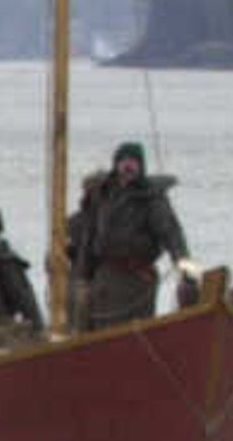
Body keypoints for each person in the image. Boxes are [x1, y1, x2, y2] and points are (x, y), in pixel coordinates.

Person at [67, 140, 189, 330]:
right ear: (116, 164)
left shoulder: (151, 198)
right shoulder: (104, 195)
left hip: (137, 279)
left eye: (133, 162)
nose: (128, 167)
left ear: (141, 166)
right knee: (97, 328)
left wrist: (183, 266)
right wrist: (83, 277)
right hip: (105, 277)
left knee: (134, 331)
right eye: (124, 162)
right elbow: (89, 239)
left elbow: (171, 234)